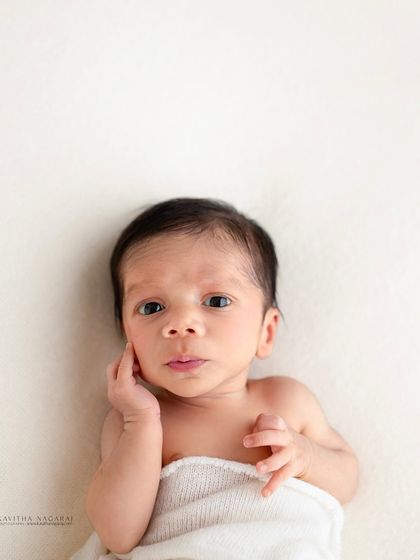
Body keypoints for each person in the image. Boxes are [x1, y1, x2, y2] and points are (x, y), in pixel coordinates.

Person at [82, 197, 359, 556]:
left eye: (216, 301)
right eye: (152, 307)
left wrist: (306, 457)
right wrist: (141, 421)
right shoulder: (133, 421)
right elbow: (118, 535)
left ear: (266, 333)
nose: (180, 324)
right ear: (127, 336)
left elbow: (347, 478)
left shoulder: (286, 400)